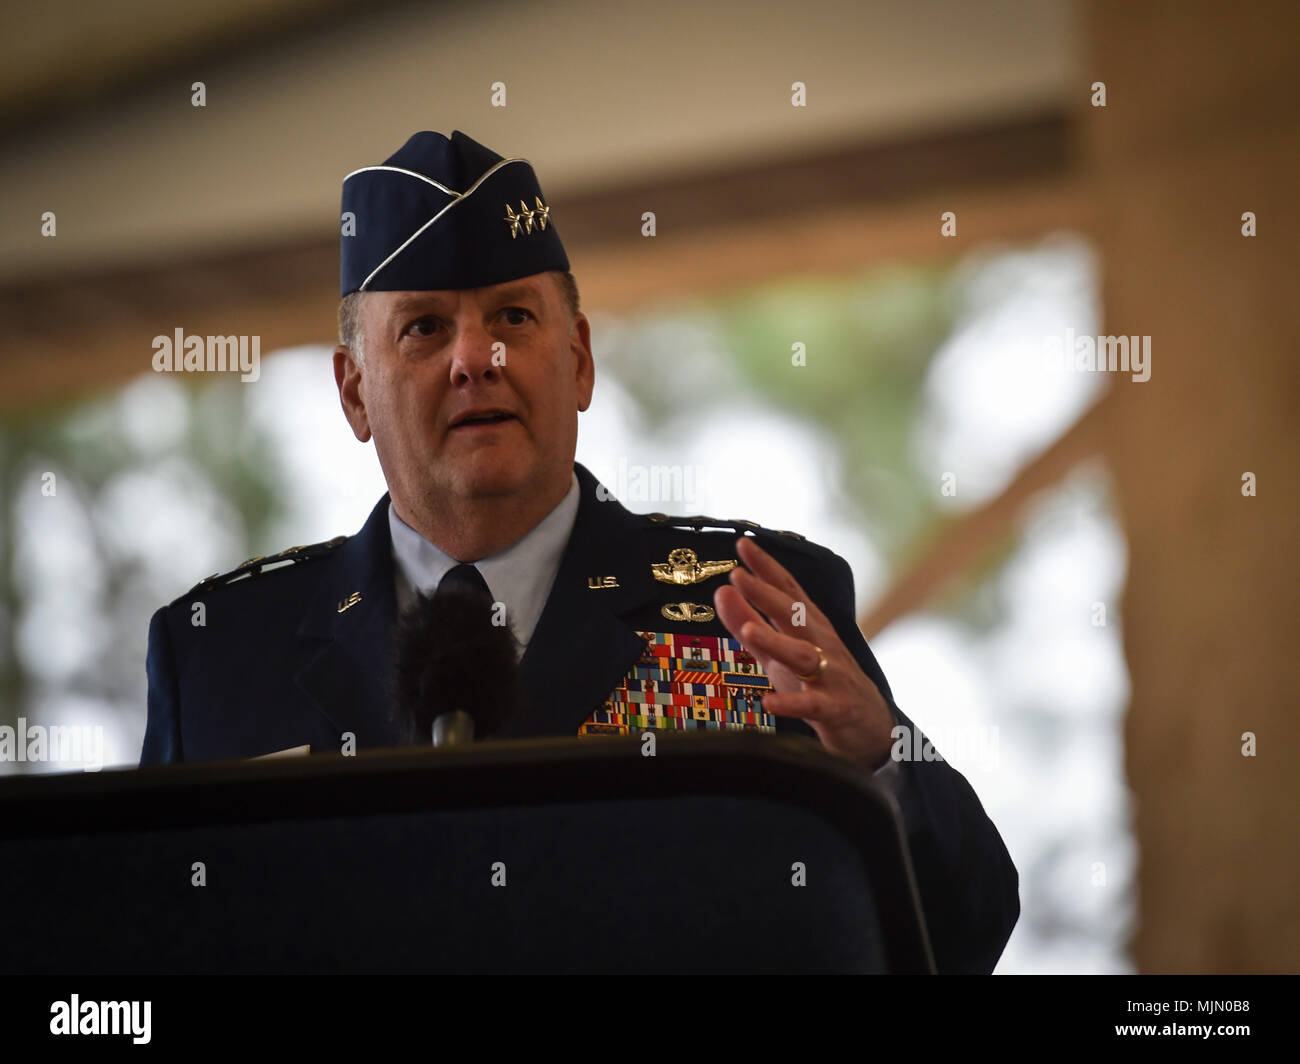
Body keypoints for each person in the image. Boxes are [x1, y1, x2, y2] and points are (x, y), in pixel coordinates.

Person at [141, 130, 1018, 972]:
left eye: (513, 316)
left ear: (581, 359)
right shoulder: (219, 655)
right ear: (353, 391)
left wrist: (881, 760)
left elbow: (960, 934)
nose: (475, 359)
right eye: (423, 329)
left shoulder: (755, 606)